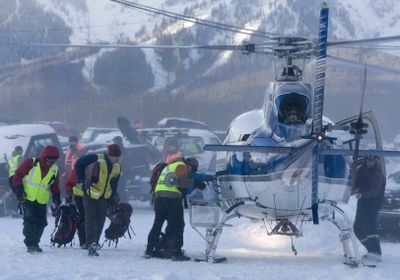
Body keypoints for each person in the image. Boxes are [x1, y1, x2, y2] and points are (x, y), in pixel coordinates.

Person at [145, 156, 213, 261]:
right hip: (172, 197)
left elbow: (178, 180)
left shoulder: (171, 165)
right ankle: (176, 252)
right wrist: (196, 184)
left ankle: (149, 250)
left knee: (157, 224)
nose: (189, 172)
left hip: (159, 196)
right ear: (189, 165)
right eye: (191, 170)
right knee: (179, 224)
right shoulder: (181, 165)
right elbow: (181, 183)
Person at [74, 144, 122, 256]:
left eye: (118, 157)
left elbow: (114, 183)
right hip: (90, 193)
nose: (117, 159)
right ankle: (91, 244)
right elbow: (79, 163)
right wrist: (81, 178)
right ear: (109, 155)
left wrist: (113, 197)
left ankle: (95, 242)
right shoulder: (97, 158)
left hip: (104, 197)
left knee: (100, 220)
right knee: (90, 219)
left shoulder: (117, 167)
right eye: (115, 157)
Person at [12, 145, 61, 253]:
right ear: (44, 157)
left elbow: (55, 186)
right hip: (27, 197)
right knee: (30, 220)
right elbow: (18, 175)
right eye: (49, 159)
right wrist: (19, 190)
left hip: (42, 200)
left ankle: (35, 242)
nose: (51, 162)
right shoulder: (31, 163)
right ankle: (30, 243)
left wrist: (57, 198)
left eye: (54, 159)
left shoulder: (55, 170)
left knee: (42, 222)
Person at [353, 155, 386, 262]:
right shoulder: (361, 170)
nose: (370, 163)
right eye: (368, 160)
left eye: (372, 161)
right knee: (357, 228)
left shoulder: (378, 173)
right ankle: (371, 250)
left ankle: (376, 252)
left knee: (371, 227)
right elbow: (354, 184)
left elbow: (376, 190)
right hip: (362, 203)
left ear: (375, 161)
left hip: (373, 203)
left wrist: (362, 195)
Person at [64, 169, 86, 249]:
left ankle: (90, 241)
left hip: (93, 198)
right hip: (80, 197)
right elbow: (69, 184)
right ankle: (84, 241)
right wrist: (69, 194)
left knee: (90, 219)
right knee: (83, 217)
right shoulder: (77, 170)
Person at [7, 146, 24, 214]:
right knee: (23, 193)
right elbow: (22, 167)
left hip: (11, 178)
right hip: (17, 177)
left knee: (18, 194)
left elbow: (7, 168)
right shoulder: (19, 157)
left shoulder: (11, 159)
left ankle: (19, 209)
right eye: (22, 151)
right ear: (20, 151)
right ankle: (23, 209)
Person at [112, 136, 128, 203]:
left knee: (119, 187)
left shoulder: (118, 149)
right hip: (122, 171)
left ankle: (121, 201)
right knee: (122, 188)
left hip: (120, 172)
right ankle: (123, 201)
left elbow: (120, 160)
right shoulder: (123, 148)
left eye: (114, 141)